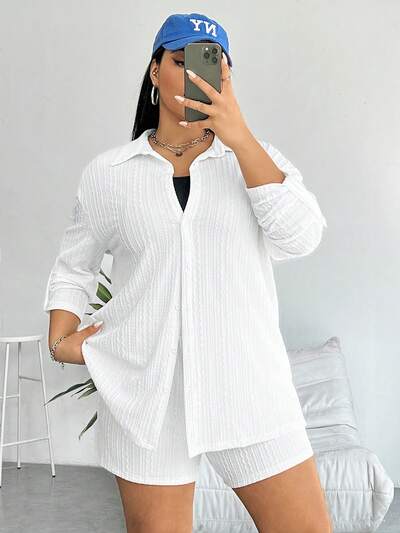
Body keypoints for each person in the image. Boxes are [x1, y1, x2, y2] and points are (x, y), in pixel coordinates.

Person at [44, 12, 333, 533]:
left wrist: (239, 137)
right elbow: (73, 267)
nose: (198, 74)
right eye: (182, 60)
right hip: (147, 399)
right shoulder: (110, 175)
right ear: (155, 71)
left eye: (213, 63)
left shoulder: (254, 160)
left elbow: (302, 237)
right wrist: (61, 339)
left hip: (249, 389)